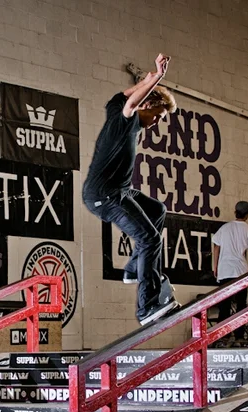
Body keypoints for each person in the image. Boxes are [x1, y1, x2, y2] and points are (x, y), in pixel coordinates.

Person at [82, 54, 179, 325]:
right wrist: (157, 78)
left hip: (119, 191)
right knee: (150, 238)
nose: (156, 123)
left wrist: (151, 78)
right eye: (158, 116)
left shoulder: (115, 105)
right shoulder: (124, 121)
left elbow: (129, 94)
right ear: (146, 106)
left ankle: (135, 268)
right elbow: (133, 102)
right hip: (104, 195)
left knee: (157, 209)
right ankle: (146, 306)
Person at [212, 201, 248, 346]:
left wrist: (215, 267)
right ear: (247, 214)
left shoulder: (224, 228)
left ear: (235, 212)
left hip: (224, 270)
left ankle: (222, 335)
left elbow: (216, 248)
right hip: (240, 272)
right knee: (241, 305)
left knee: (224, 306)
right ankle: (239, 335)